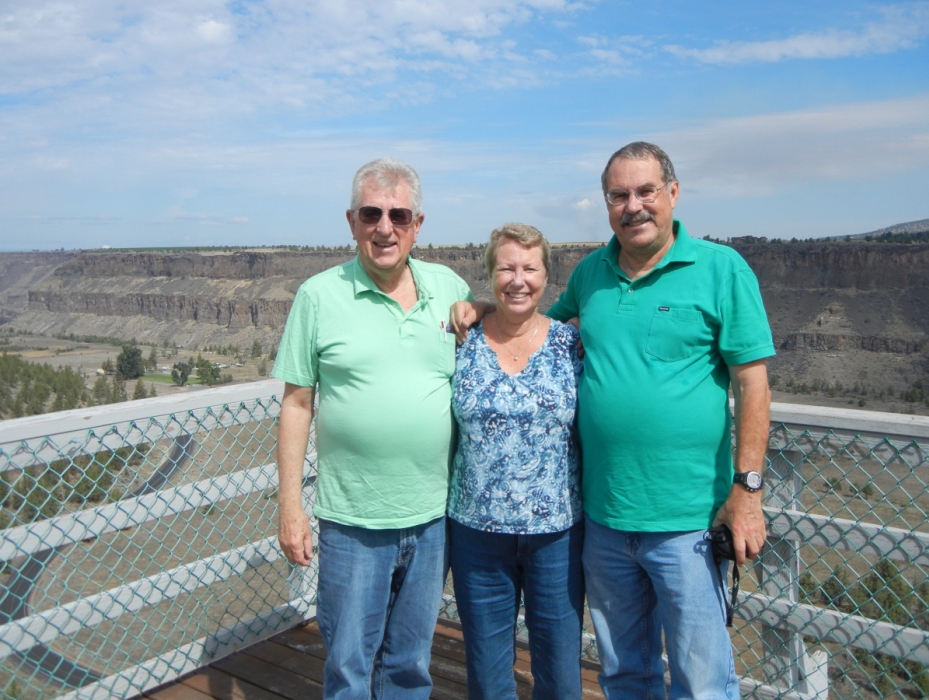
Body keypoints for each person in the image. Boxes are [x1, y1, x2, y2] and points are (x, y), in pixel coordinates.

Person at [452, 142, 774, 697]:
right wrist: (483, 309)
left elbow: (753, 383)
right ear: (606, 205)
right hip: (603, 519)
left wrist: (747, 492)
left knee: (702, 680)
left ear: (672, 193)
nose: (634, 206)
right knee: (625, 673)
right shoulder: (591, 275)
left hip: (689, 518)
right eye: (619, 195)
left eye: (646, 191)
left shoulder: (722, 269)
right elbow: (532, 327)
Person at [273, 157, 473, 699]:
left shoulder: (448, 287)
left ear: (417, 223)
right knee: (348, 665)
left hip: (433, 517)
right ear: (351, 220)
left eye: (398, 215)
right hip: (353, 520)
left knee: (409, 664)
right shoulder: (318, 296)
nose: (385, 227)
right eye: (371, 214)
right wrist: (291, 507)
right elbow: (296, 403)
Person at [448, 223, 584, 699]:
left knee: (561, 676)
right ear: (490, 274)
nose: (518, 279)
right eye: (506, 268)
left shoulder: (571, 346)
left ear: (547, 277)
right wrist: (475, 313)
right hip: (476, 535)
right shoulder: (461, 340)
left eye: (530, 268)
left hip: (557, 537)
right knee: (487, 677)